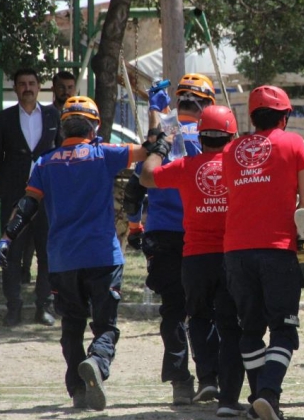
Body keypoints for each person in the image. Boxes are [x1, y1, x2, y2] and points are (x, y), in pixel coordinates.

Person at [0, 96, 152, 410]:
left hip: (63, 260)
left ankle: (78, 389)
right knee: (105, 326)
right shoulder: (104, 154)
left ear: (63, 128)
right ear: (96, 125)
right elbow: (147, 151)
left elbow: (27, 205)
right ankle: (97, 361)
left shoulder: (44, 162)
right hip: (103, 256)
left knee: (72, 326)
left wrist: (7, 238)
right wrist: (158, 120)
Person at [139, 105, 248, 417]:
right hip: (231, 255)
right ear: (231, 136)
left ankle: (207, 377)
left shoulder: (186, 165)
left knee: (198, 317)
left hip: (195, 257)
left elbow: (147, 177)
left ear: (200, 136)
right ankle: (228, 397)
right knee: (230, 326)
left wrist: (160, 144)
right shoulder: (239, 167)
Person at [122, 73, 220, 405]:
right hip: (206, 232)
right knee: (210, 307)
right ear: (208, 104)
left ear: (179, 102)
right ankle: (212, 376)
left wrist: (135, 228)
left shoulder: (166, 134)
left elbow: (135, 192)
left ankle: (180, 380)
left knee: (173, 310)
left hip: (163, 233)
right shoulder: (212, 138)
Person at [222, 85, 304, 420]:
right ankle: (268, 393)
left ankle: (264, 402)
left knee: (250, 330)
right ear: (285, 116)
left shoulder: (231, 150)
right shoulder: (294, 143)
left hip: (235, 252)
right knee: (284, 329)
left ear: (252, 115)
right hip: (277, 250)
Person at [0, 67, 60, 327]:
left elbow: (61, 148)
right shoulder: (4, 118)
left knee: (46, 253)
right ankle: (13, 308)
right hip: (15, 197)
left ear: (38, 86)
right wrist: (13, 177)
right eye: (22, 84)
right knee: (12, 252)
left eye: (31, 83)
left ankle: (43, 306)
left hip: (46, 197)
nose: (27, 88)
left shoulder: (53, 115)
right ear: (16, 87)